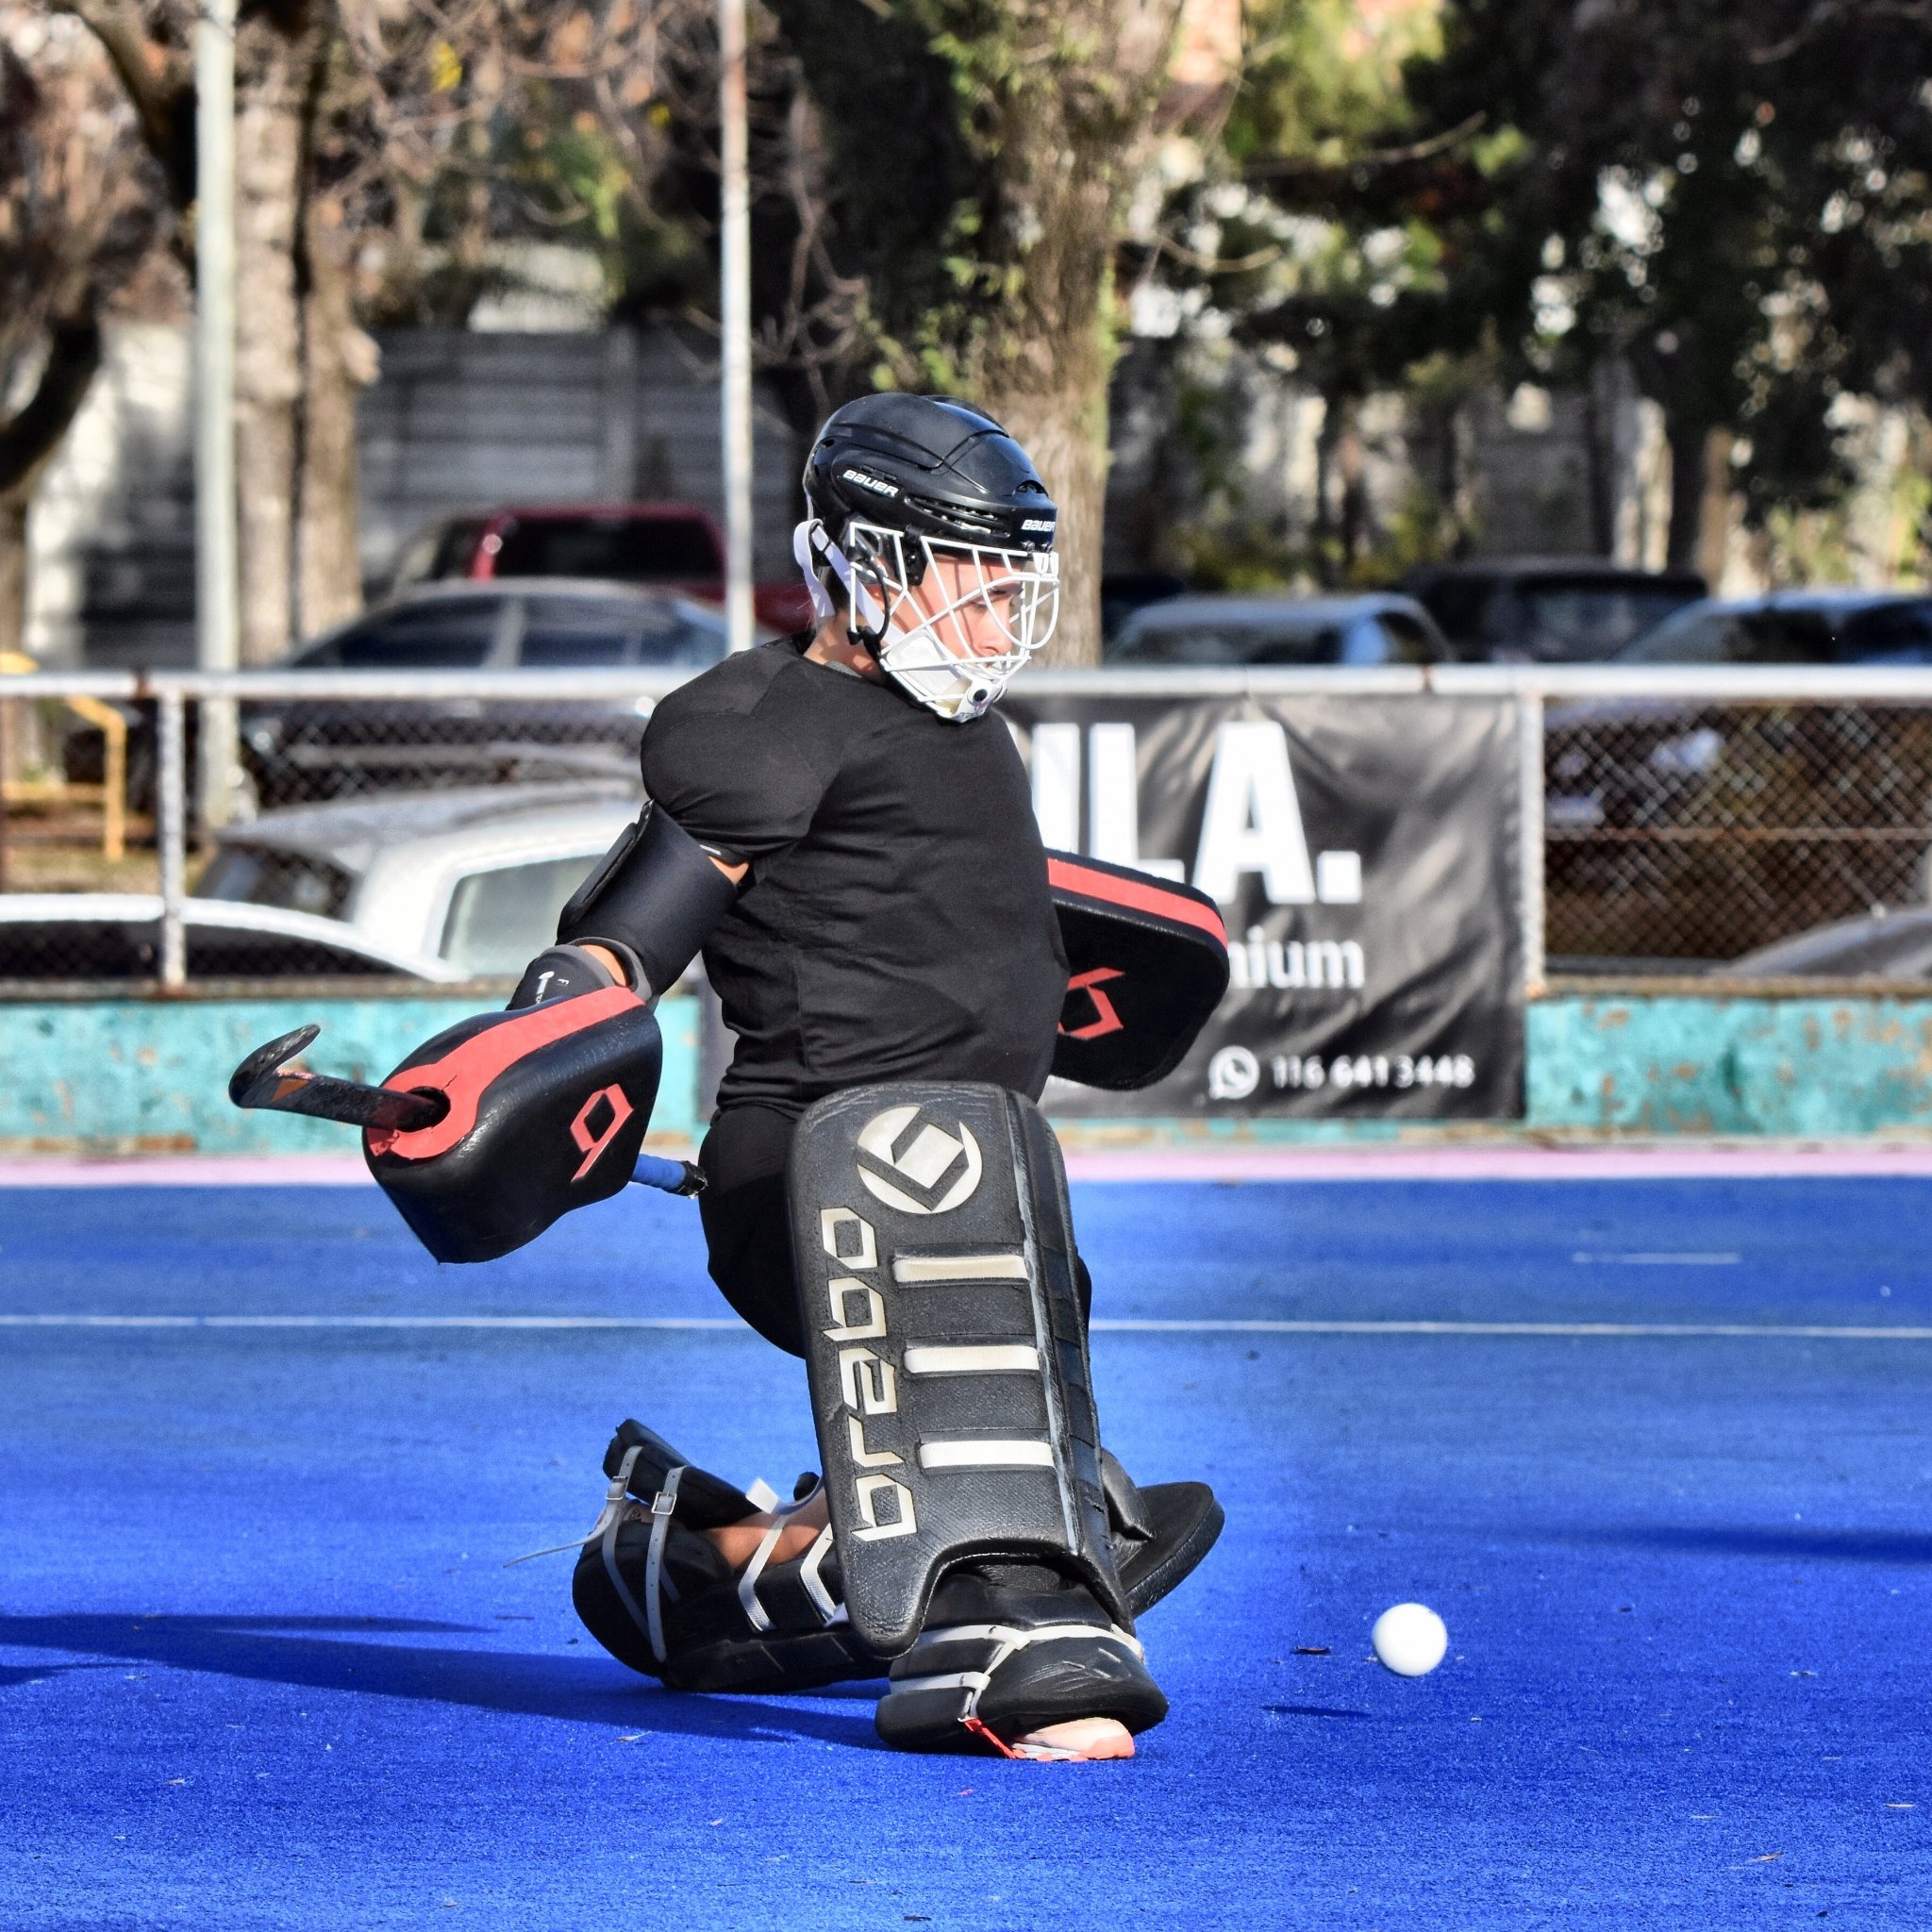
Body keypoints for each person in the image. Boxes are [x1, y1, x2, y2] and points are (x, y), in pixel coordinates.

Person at [522, 393, 1219, 1759]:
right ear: (859, 562)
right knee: (992, 1441)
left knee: (1026, 1432)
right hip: (823, 1172)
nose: (995, 602)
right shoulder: (762, 724)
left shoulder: (969, 735)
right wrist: (536, 1052)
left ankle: (700, 1570)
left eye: (1009, 572)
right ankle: (1011, 1633)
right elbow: (617, 943)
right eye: (966, 566)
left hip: (982, 1174)